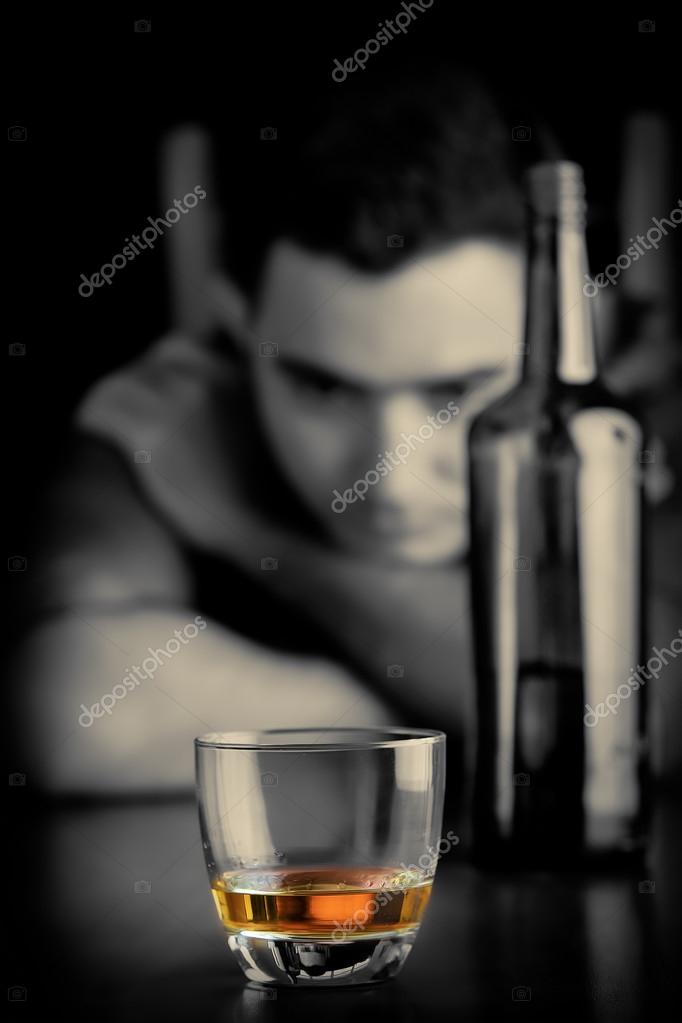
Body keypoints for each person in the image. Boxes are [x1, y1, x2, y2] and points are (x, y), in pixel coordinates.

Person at [12, 61, 681, 797]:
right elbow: (72, 713)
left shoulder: (641, 411)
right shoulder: (178, 411)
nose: (388, 475)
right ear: (239, 325)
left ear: (591, 324)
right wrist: (495, 710)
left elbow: (668, 707)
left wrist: (256, 534)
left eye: (456, 391)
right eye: (320, 385)